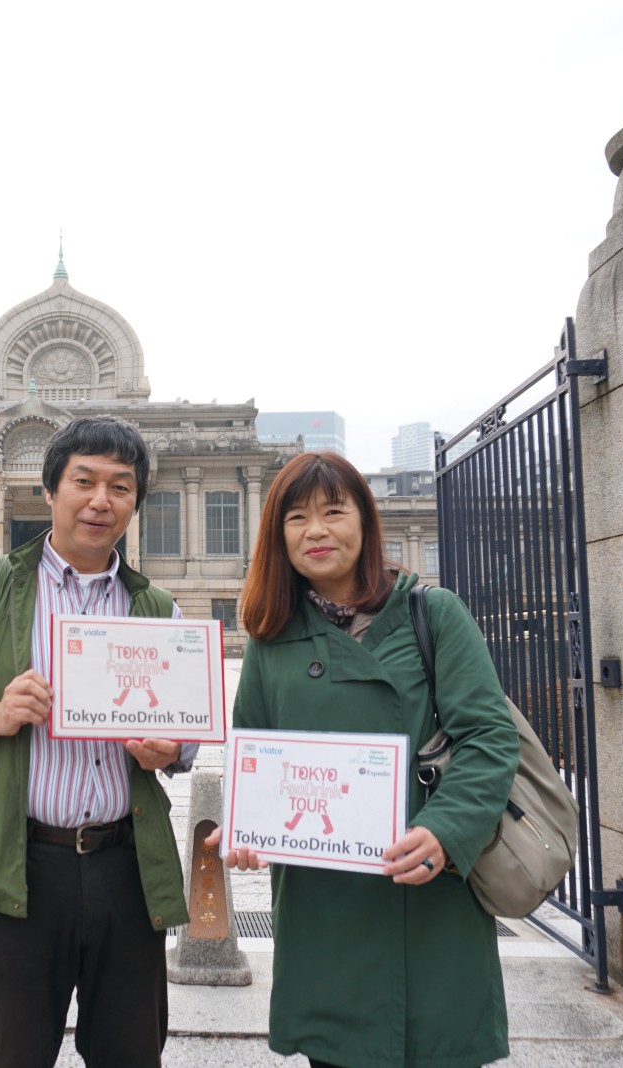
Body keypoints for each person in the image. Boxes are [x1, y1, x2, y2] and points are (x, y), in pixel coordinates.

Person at [0, 415, 195, 1068]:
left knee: (132, 1051)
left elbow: (186, 737)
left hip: (127, 868)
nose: (100, 500)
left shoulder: (159, 610)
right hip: (20, 861)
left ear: (136, 500)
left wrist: (169, 749)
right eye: (84, 481)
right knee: (10, 1051)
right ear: (52, 488)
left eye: (120, 486)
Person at [211, 450, 518, 1068]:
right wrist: (244, 828)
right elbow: (254, 755)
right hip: (324, 912)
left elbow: (489, 738)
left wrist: (444, 828)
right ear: (278, 536)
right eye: (296, 518)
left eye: (333, 512)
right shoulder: (271, 638)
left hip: (429, 896)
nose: (316, 531)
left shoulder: (433, 614)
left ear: (365, 521)